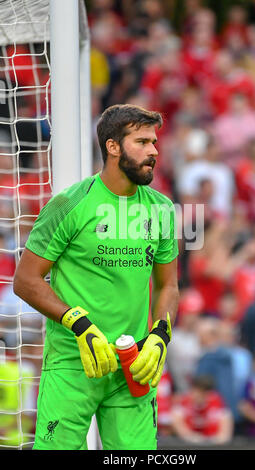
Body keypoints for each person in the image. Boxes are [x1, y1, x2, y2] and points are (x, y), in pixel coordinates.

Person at [13, 104, 179, 450]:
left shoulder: (162, 209)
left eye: (154, 142)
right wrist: (79, 324)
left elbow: (169, 286)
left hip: (133, 367)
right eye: (143, 142)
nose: (153, 151)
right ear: (113, 146)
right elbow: (26, 281)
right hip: (73, 363)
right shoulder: (68, 205)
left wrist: (160, 334)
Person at [171, 375, 233, 445]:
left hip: (213, 445)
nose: (199, 396)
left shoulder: (218, 403)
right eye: (197, 391)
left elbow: (225, 434)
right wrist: (193, 438)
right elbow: (177, 423)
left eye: (204, 392)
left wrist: (212, 441)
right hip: (189, 445)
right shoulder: (183, 402)